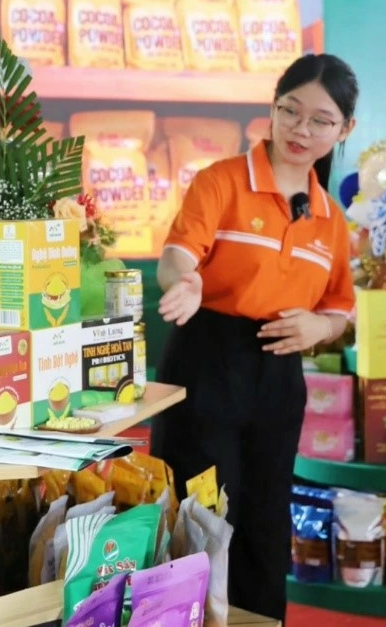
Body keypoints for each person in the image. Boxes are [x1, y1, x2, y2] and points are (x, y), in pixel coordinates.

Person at [150, 54, 358, 623]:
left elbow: (340, 307)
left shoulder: (329, 218)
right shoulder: (221, 181)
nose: (301, 129)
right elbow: (177, 257)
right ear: (272, 107)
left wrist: (320, 327)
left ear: (344, 130)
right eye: (290, 111)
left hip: (278, 374)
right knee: (198, 519)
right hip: (206, 363)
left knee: (266, 524)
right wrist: (185, 283)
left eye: (321, 120)